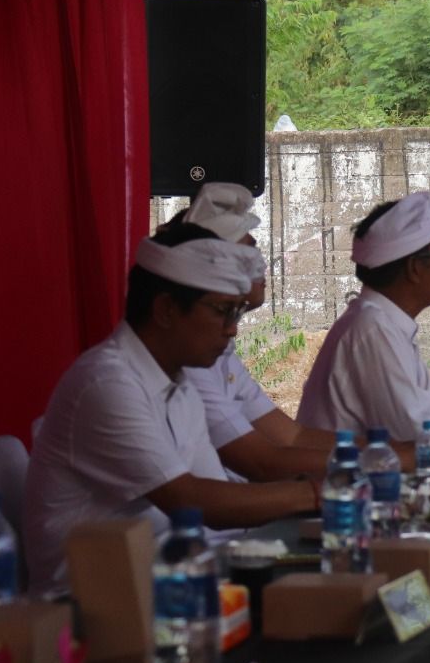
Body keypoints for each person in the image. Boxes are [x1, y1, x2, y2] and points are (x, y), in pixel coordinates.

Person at [24, 224, 320, 591]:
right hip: (93, 607)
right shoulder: (107, 383)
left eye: (236, 313)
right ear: (165, 309)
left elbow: (214, 496)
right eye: (222, 311)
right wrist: (320, 494)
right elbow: (192, 502)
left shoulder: (179, 383)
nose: (232, 330)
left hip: (171, 578)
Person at [297, 191, 430, 468]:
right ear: (415, 269)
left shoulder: (385, 324)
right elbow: (418, 434)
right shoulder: (372, 331)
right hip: (343, 496)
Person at [172, 184, 331, 482]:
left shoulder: (219, 348)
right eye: (246, 255)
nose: (260, 266)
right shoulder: (187, 358)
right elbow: (261, 462)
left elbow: (290, 437)